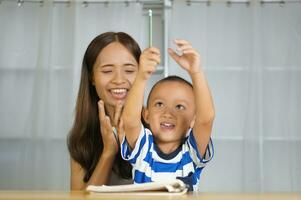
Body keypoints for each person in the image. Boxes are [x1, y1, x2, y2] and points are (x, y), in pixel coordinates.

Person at [120, 39, 215, 191]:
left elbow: (206, 119)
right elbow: (130, 120)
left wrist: (195, 72)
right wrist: (142, 76)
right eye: (159, 104)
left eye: (179, 106)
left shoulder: (191, 154)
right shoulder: (144, 149)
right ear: (146, 115)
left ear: (193, 120)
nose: (168, 113)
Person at [67, 32, 142, 190]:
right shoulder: (82, 137)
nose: (119, 79)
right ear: (92, 77)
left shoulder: (157, 125)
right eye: (107, 71)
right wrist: (109, 151)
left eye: (129, 71)